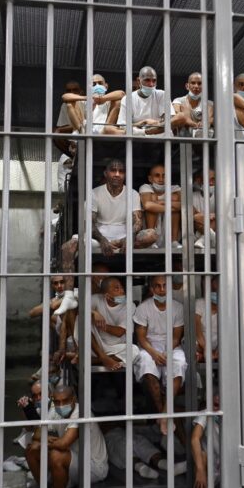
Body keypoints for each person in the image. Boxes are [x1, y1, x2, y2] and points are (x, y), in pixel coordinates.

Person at [57, 159, 159, 313]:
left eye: (121, 171)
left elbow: (137, 223)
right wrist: (102, 240)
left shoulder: (132, 193)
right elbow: (89, 224)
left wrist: (129, 237)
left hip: (125, 238)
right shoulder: (94, 193)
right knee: (67, 247)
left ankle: (118, 242)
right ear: (106, 173)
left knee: (152, 234)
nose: (117, 174)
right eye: (113, 170)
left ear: (125, 175)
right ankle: (69, 296)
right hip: (99, 237)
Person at [25, 384, 108, 488]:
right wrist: (46, 439)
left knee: (57, 455)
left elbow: (63, 443)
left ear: (73, 399)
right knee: (32, 450)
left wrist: (45, 441)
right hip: (74, 460)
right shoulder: (55, 410)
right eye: (57, 402)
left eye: (65, 401)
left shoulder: (81, 412)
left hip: (94, 467)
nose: (61, 405)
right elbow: (37, 433)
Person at [134, 275, 186, 435]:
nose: (162, 289)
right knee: (145, 362)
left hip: (171, 346)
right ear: (151, 289)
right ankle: (162, 413)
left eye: (165, 285)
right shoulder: (143, 308)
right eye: (157, 286)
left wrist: (166, 352)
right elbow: (141, 338)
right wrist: (154, 353)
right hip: (149, 346)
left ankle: (164, 414)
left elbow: (176, 337)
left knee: (179, 362)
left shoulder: (178, 307)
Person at [89, 276, 139, 370]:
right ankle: (103, 357)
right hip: (96, 345)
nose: (122, 291)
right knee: (82, 318)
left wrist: (98, 324)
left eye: (121, 288)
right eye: (117, 288)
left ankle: (99, 359)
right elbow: (79, 309)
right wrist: (93, 313)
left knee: (134, 351)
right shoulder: (96, 298)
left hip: (116, 347)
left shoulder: (130, 305)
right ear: (107, 296)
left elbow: (119, 332)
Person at [109, 66, 169, 136]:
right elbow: (122, 127)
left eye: (154, 80)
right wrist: (143, 122)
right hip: (138, 138)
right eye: (147, 80)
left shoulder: (162, 95)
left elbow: (169, 121)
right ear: (138, 81)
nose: (151, 84)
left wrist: (138, 127)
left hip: (161, 137)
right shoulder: (127, 99)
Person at [60, 74, 124, 135]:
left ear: (106, 86)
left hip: (104, 132)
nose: (97, 86)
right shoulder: (83, 102)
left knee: (117, 102)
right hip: (85, 130)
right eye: (94, 84)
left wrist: (102, 99)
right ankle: (81, 131)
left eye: (100, 83)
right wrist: (88, 98)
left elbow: (122, 93)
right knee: (70, 104)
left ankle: (105, 131)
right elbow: (65, 97)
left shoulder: (109, 101)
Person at [192, 394, 221, 488]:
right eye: (214, 404)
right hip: (211, 462)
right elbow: (195, 439)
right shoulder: (206, 413)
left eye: (219, 405)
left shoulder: (235, 414)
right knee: (201, 457)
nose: (216, 409)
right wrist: (200, 470)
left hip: (228, 463)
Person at [139, 163, 182, 248]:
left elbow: (185, 205)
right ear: (150, 178)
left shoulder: (175, 188)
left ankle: (174, 241)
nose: (161, 179)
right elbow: (147, 205)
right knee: (153, 199)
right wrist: (174, 207)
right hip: (148, 232)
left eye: (164, 176)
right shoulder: (146, 187)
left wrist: (160, 202)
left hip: (170, 231)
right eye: (157, 175)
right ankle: (151, 240)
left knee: (175, 198)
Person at [171, 72, 214, 137]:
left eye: (199, 83)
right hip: (183, 138)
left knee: (209, 106)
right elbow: (178, 117)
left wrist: (206, 123)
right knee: (182, 108)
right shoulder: (178, 101)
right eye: (193, 83)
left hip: (204, 138)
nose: (196, 86)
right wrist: (194, 124)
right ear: (187, 86)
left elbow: (210, 119)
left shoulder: (210, 104)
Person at [194, 278, 219, 363]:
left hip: (220, 343)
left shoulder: (227, 306)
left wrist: (220, 350)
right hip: (200, 343)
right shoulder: (199, 303)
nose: (215, 293)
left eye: (217, 290)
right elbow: (198, 333)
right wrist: (206, 349)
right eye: (213, 290)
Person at [192, 168, 217, 249]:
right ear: (200, 180)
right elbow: (191, 218)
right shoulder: (192, 197)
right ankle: (206, 238)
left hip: (217, 238)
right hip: (196, 235)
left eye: (213, 179)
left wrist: (201, 216)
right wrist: (205, 216)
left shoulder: (220, 196)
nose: (210, 183)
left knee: (217, 218)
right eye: (207, 179)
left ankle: (203, 239)